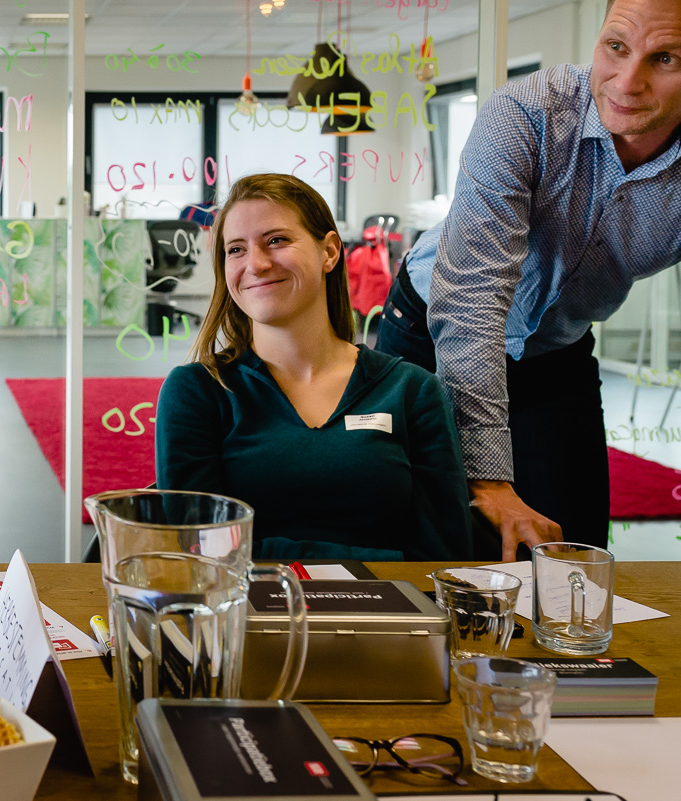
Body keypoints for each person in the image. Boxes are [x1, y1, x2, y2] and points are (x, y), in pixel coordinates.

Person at [374, 0, 681, 559]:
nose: (627, 81)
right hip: (433, 322)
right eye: (616, 47)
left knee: (573, 550)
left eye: (664, 58)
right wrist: (488, 481)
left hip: (557, 347)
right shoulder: (525, 112)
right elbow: (473, 299)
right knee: (416, 531)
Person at [155, 174, 471, 561]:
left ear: (330, 252)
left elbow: (443, 555)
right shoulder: (199, 391)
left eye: (277, 240)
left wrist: (261, 552)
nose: (255, 263)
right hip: (244, 615)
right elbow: (200, 548)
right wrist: (374, 558)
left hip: (390, 617)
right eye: (235, 249)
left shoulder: (412, 391)